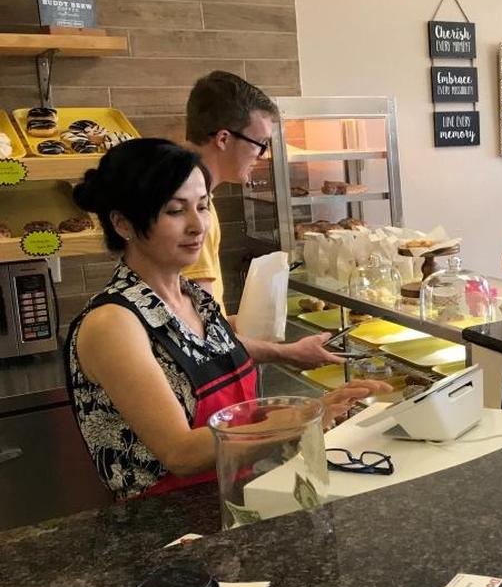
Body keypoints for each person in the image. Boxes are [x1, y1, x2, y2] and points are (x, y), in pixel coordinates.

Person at [66, 139, 386, 501]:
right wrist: (300, 419)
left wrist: (305, 391)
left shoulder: (194, 298)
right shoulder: (113, 322)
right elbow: (181, 453)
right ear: (123, 223)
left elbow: (205, 355)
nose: (196, 225)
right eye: (175, 210)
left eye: (202, 207)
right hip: (166, 524)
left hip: (232, 497)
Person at [183, 70, 338, 368]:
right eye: (259, 143)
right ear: (224, 139)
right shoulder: (193, 213)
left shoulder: (198, 199)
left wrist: (247, 321)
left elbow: (189, 317)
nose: (262, 156)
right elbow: (198, 332)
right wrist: (288, 354)